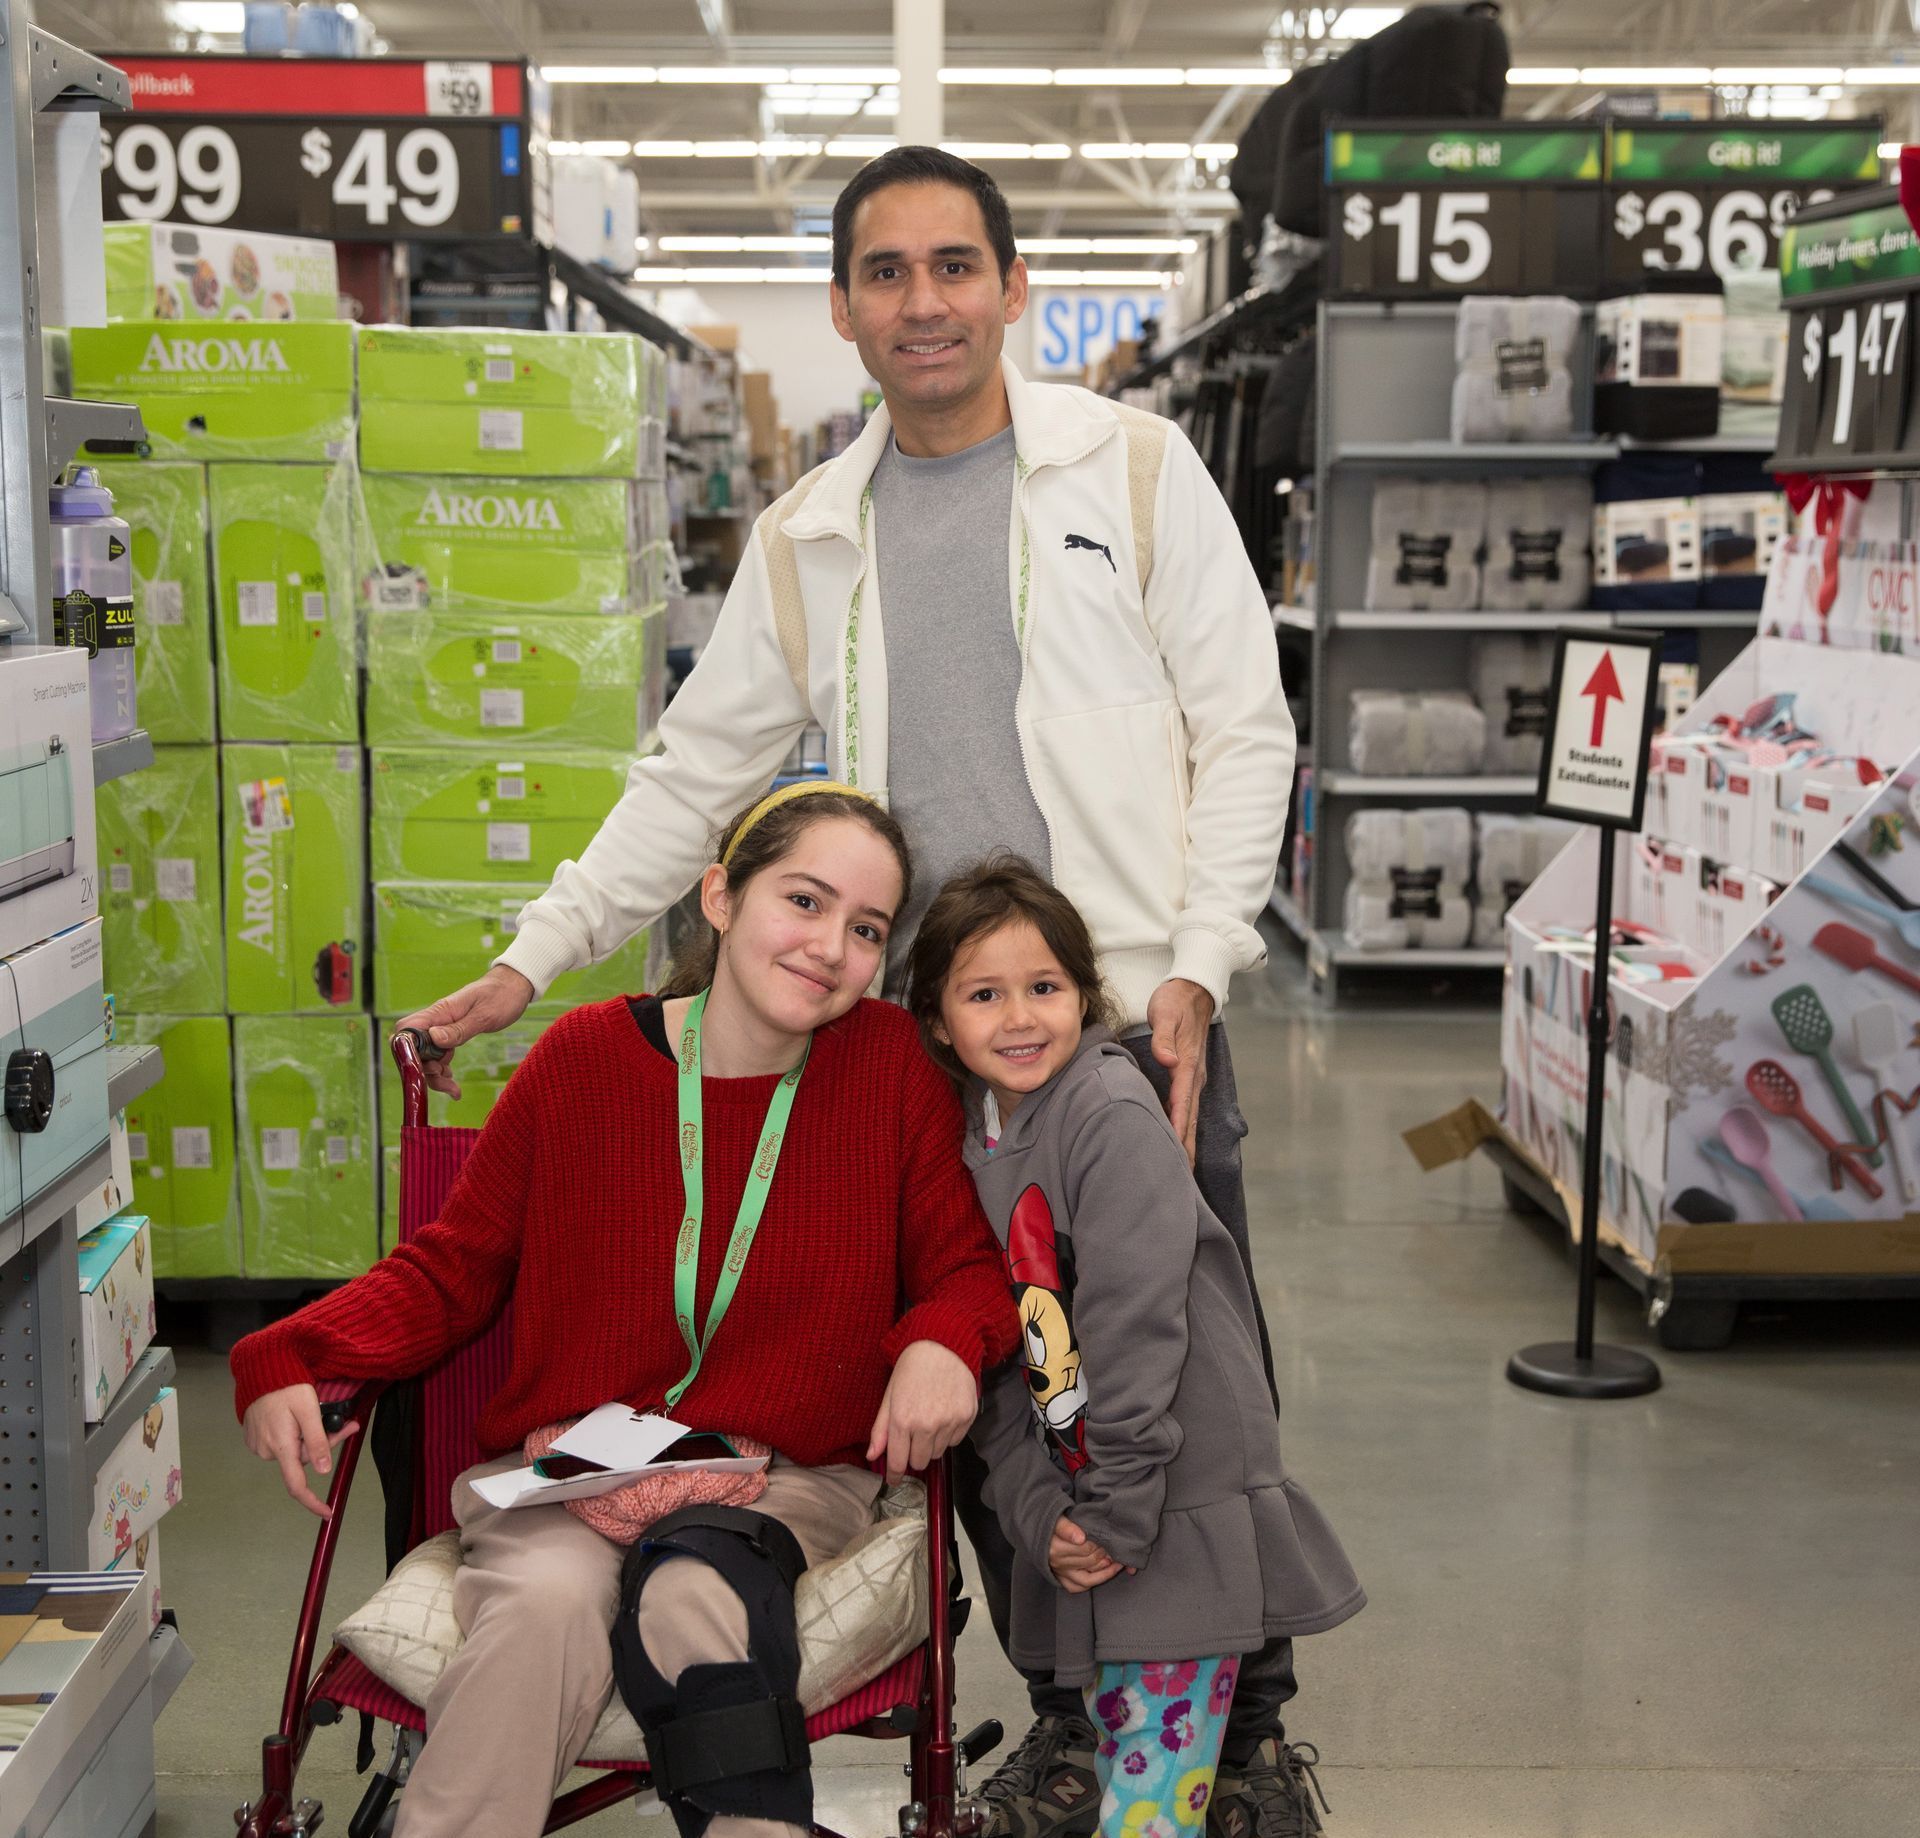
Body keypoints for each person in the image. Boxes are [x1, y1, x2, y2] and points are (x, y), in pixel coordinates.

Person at [397, 145, 1306, 1835]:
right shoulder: (812, 534)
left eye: (955, 266)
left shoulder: (1140, 468)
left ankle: (1237, 1728)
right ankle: (1072, 1714)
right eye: (885, 273)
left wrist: (1195, 969)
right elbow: (693, 775)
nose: (924, 301)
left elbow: (1246, 728)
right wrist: (533, 951)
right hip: (927, 1046)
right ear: (843, 308)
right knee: (990, 1392)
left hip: (1124, 1024)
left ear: (1014, 286)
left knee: (1180, 1368)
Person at [234, 784, 1020, 1838]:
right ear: (722, 896)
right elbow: (451, 1269)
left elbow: (969, 1271)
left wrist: (945, 1338)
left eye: (867, 927)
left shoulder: (890, 1071)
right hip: (575, 1463)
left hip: (783, 1476)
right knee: (546, 1602)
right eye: (805, 900)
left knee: (695, 1583)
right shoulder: (584, 1062)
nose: (831, 946)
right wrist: (287, 1345)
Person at [906, 860, 1364, 1838]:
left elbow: (1138, 1328)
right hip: (1094, 1513)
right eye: (984, 993)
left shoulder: (1109, 1115)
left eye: (1046, 987)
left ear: (1085, 992)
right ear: (940, 1020)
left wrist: (1109, 1509)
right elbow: (997, 1354)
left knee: (1149, 1808)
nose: (1021, 1016)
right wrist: (1043, 1512)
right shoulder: (973, 1136)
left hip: (1167, 1498)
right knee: (1137, 1787)